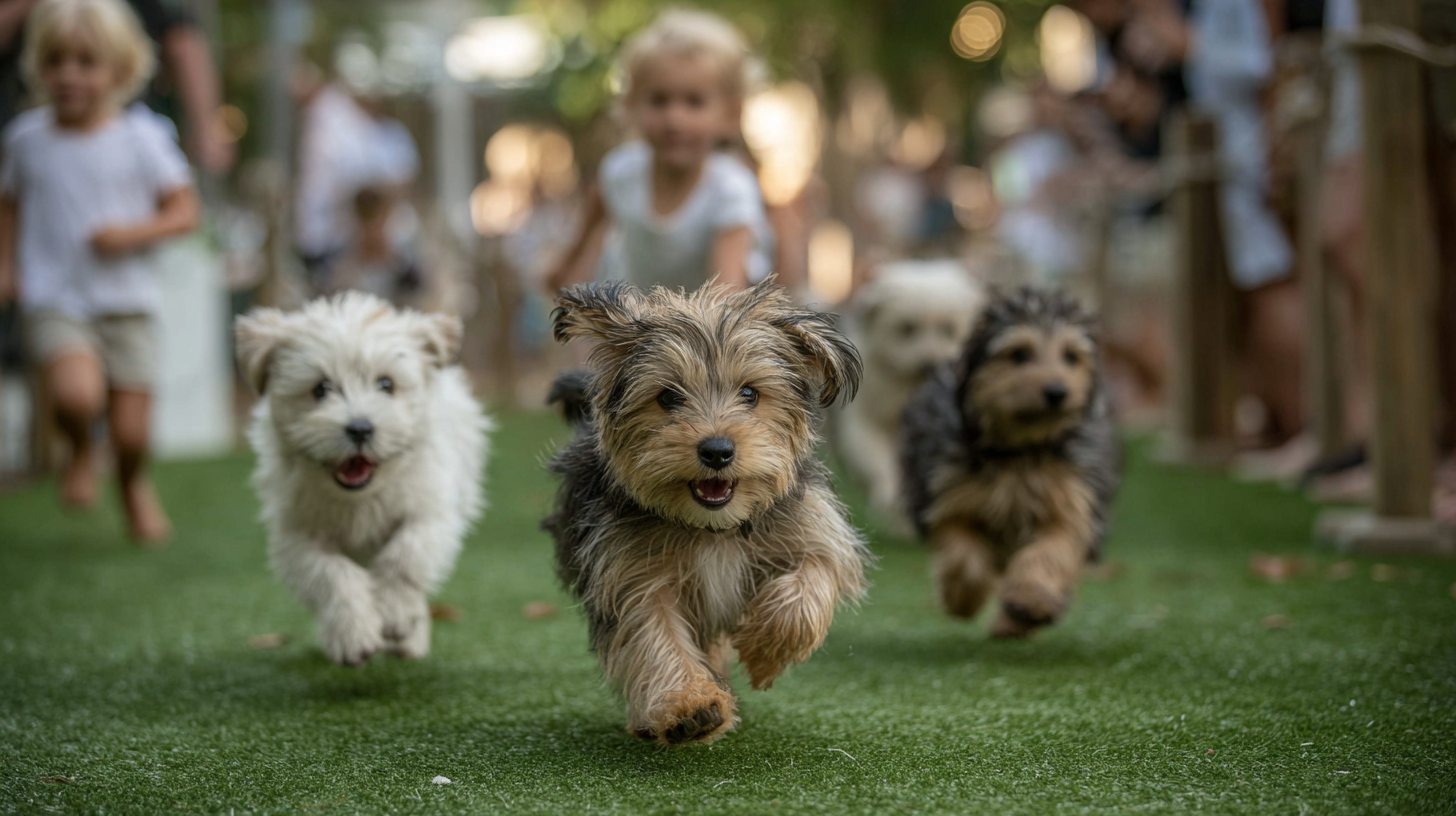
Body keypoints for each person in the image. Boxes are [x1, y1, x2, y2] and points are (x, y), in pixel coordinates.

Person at [0, 0, 199, 543]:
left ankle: (133, 485)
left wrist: (129, 235)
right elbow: (9, 204)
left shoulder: (143, 137)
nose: (68, 75)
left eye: (86, 62)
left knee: (133, 435)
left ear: (120, 69)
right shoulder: (26, 138)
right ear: (38, 67)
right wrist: (6, 264)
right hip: (56, 295)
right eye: (55, 61)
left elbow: (185, 211)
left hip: (128, 300)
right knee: (76, 396)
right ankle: (82, 450)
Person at [546, 10, 773, 293]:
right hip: (639, 326)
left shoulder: (730, 191)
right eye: (659, 100)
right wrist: (563, 279)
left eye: (694, 102)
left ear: (730, 114)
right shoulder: (620, 172)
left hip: (703, 331)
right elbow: (576, 255)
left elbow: (725, 298)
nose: (674, 119)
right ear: (631, 106)